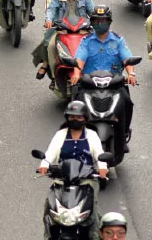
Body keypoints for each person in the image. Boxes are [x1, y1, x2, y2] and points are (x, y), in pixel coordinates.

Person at [70, 5, 137, 151]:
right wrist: (76, 74)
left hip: (114, 85)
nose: (100, 24)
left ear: (109, 22)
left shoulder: (118, 41)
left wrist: (131, 74)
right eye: (97, 21)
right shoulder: (86, 41)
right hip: (89, 85)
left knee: (127, 103)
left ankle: (124, 134)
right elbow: (79, 60)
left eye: (104, 20)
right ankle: (75, 137)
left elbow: (127, 59)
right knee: (75, 107)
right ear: (92, 22)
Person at [38, 101, 109, 239]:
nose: (75, 119)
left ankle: (95, 235)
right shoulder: (60, 134)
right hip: (62, 178)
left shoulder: (92, 135)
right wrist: (44, 164)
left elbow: (99, 154)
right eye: (72, 117)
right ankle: (48, 235)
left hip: (86, 179)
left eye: (79, 117)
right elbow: (50, 153)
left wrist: (102, 168)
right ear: (67, 118)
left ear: (85, 118)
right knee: (49, 205)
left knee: (92, 207)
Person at [33, 0, 95, 81]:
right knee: (50, 45)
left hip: (82, 29)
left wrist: (97, 20)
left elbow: (92, 11)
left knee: (97, 44)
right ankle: (50, 70)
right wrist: (49, 20)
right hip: (62, 29)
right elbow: (51, 9)